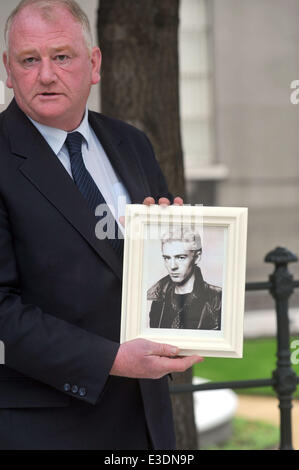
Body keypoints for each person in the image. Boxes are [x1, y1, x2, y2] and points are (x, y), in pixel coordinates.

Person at [0, 0, 203, 450]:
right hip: (46, 425)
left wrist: (168, 238)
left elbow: (154, 270)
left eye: (62, 56)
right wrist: (110, 358)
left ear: (93, 64)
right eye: (30, 60)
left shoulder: (131, 143)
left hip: (147, 419)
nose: (47, 74)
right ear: (8, 70)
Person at [148, 228, 222, 330]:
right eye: (167, 258)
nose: (172, 266)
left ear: (197, 257)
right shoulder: (159, 299)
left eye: (181, 257)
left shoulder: (217, 298)